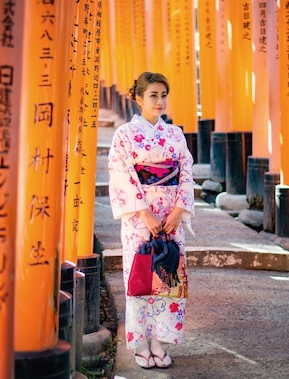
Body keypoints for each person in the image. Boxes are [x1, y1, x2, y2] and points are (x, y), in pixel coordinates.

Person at [107, 71, 195, 369]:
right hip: (139, 220)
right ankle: (142, 344)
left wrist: (179, 210)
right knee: (141, 279)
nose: (159, 101)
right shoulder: (125, 135)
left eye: (163, 95)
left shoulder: (175, 134)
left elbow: (186, 171)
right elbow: (120, 175)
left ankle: (161, 342)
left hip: (171, 219)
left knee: (170, 278)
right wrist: (144, 212)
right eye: (153, 95)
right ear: (139, 98)